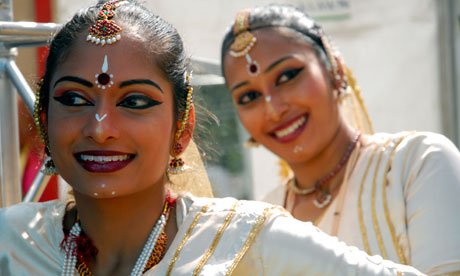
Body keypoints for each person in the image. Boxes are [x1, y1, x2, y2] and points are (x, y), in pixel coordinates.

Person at [0, 1, 425, 275]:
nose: (100, 126)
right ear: (42, 119)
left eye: (135, 102)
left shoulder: (246, 241)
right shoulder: (11, 244)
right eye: (74, 98)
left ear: (182, 130)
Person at [220, 4, 460, 276]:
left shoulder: (416, 164)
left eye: (287, 76)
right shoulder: (260, 221)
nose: (273, 109)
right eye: (248, 97)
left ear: (335, 70)